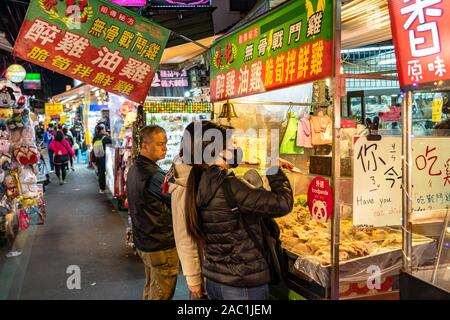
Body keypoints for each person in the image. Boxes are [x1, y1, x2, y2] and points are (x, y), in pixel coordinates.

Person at [183, 121, 293, 300]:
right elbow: (283, 203)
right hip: (242, 284)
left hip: (215, 279)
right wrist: (274, 169)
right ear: (219, 151)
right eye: (232, 143)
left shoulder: (200, 179)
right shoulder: (230, 185)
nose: (237, 147)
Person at [126, 125, 178, 300]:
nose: (165, 148)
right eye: (160, 144)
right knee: (161, 292)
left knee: (151, 288)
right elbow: (177, 200)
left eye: (166, 144)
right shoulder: (155, 175)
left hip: (145, 241)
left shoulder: (134, 169)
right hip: (160, 244)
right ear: (144, 146)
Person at [92, 125, 112, 193]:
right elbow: (111, 143)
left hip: (97, 156)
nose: (105, 130)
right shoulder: (105, 138)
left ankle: (101, 189)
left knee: (101, 172)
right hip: (105, 158)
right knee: (108, 171)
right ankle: (108, 187)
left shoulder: (95, 138)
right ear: (102, 130)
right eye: (104, 129)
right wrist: (108, 135)